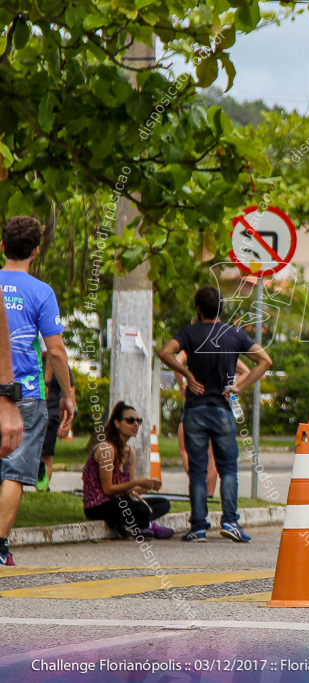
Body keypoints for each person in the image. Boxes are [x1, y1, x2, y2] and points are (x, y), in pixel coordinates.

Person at [157, 286, 272, 543]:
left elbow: (165, 352)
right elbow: (265, 361)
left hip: (195, 409)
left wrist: (187, 375)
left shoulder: (189, 333)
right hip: (222, 408)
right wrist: (240, 386)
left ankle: (198, 526)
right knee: (228, 469)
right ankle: (230, 522)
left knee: (197, 470)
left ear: (198, 309)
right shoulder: (234, 334)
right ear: (222, 309)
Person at [0, 216, 75, 566]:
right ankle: (0, 548)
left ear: (2, 247)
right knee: (14, 472)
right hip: (25, 394)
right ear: (35, 252)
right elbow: (55, 350)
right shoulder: (41, 292)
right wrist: (69, 393)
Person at [82, 402, 173, 539]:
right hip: (99, 505)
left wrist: (147, 486)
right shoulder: (106, 449)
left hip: (120, 501)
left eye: (138, 421)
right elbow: (107, 490)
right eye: (130, 420)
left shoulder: (130, 453)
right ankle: (144, 525)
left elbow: (129, 491)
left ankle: (134, 524)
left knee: (163, 504)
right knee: (141, 509)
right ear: (117, 423)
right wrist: (138, 482)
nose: (136, 424)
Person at [176, 351, 250, 497]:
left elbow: (177, 362)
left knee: (186, 449)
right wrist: (230, 387)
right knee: (212, 456)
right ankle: (207, 494)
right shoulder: (224, 350)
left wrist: (183, 385)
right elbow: (246, 371)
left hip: (196, 402)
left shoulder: (193, 346)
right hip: (218, 405)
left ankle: (198, 486)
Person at [38, 352, 76, 492]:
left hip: (51, 415)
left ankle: (41, 491)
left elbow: (70, 395)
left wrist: (66, 422)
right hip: (27, 414)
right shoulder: (29, 358)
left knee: (46, 456)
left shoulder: (60, 364)